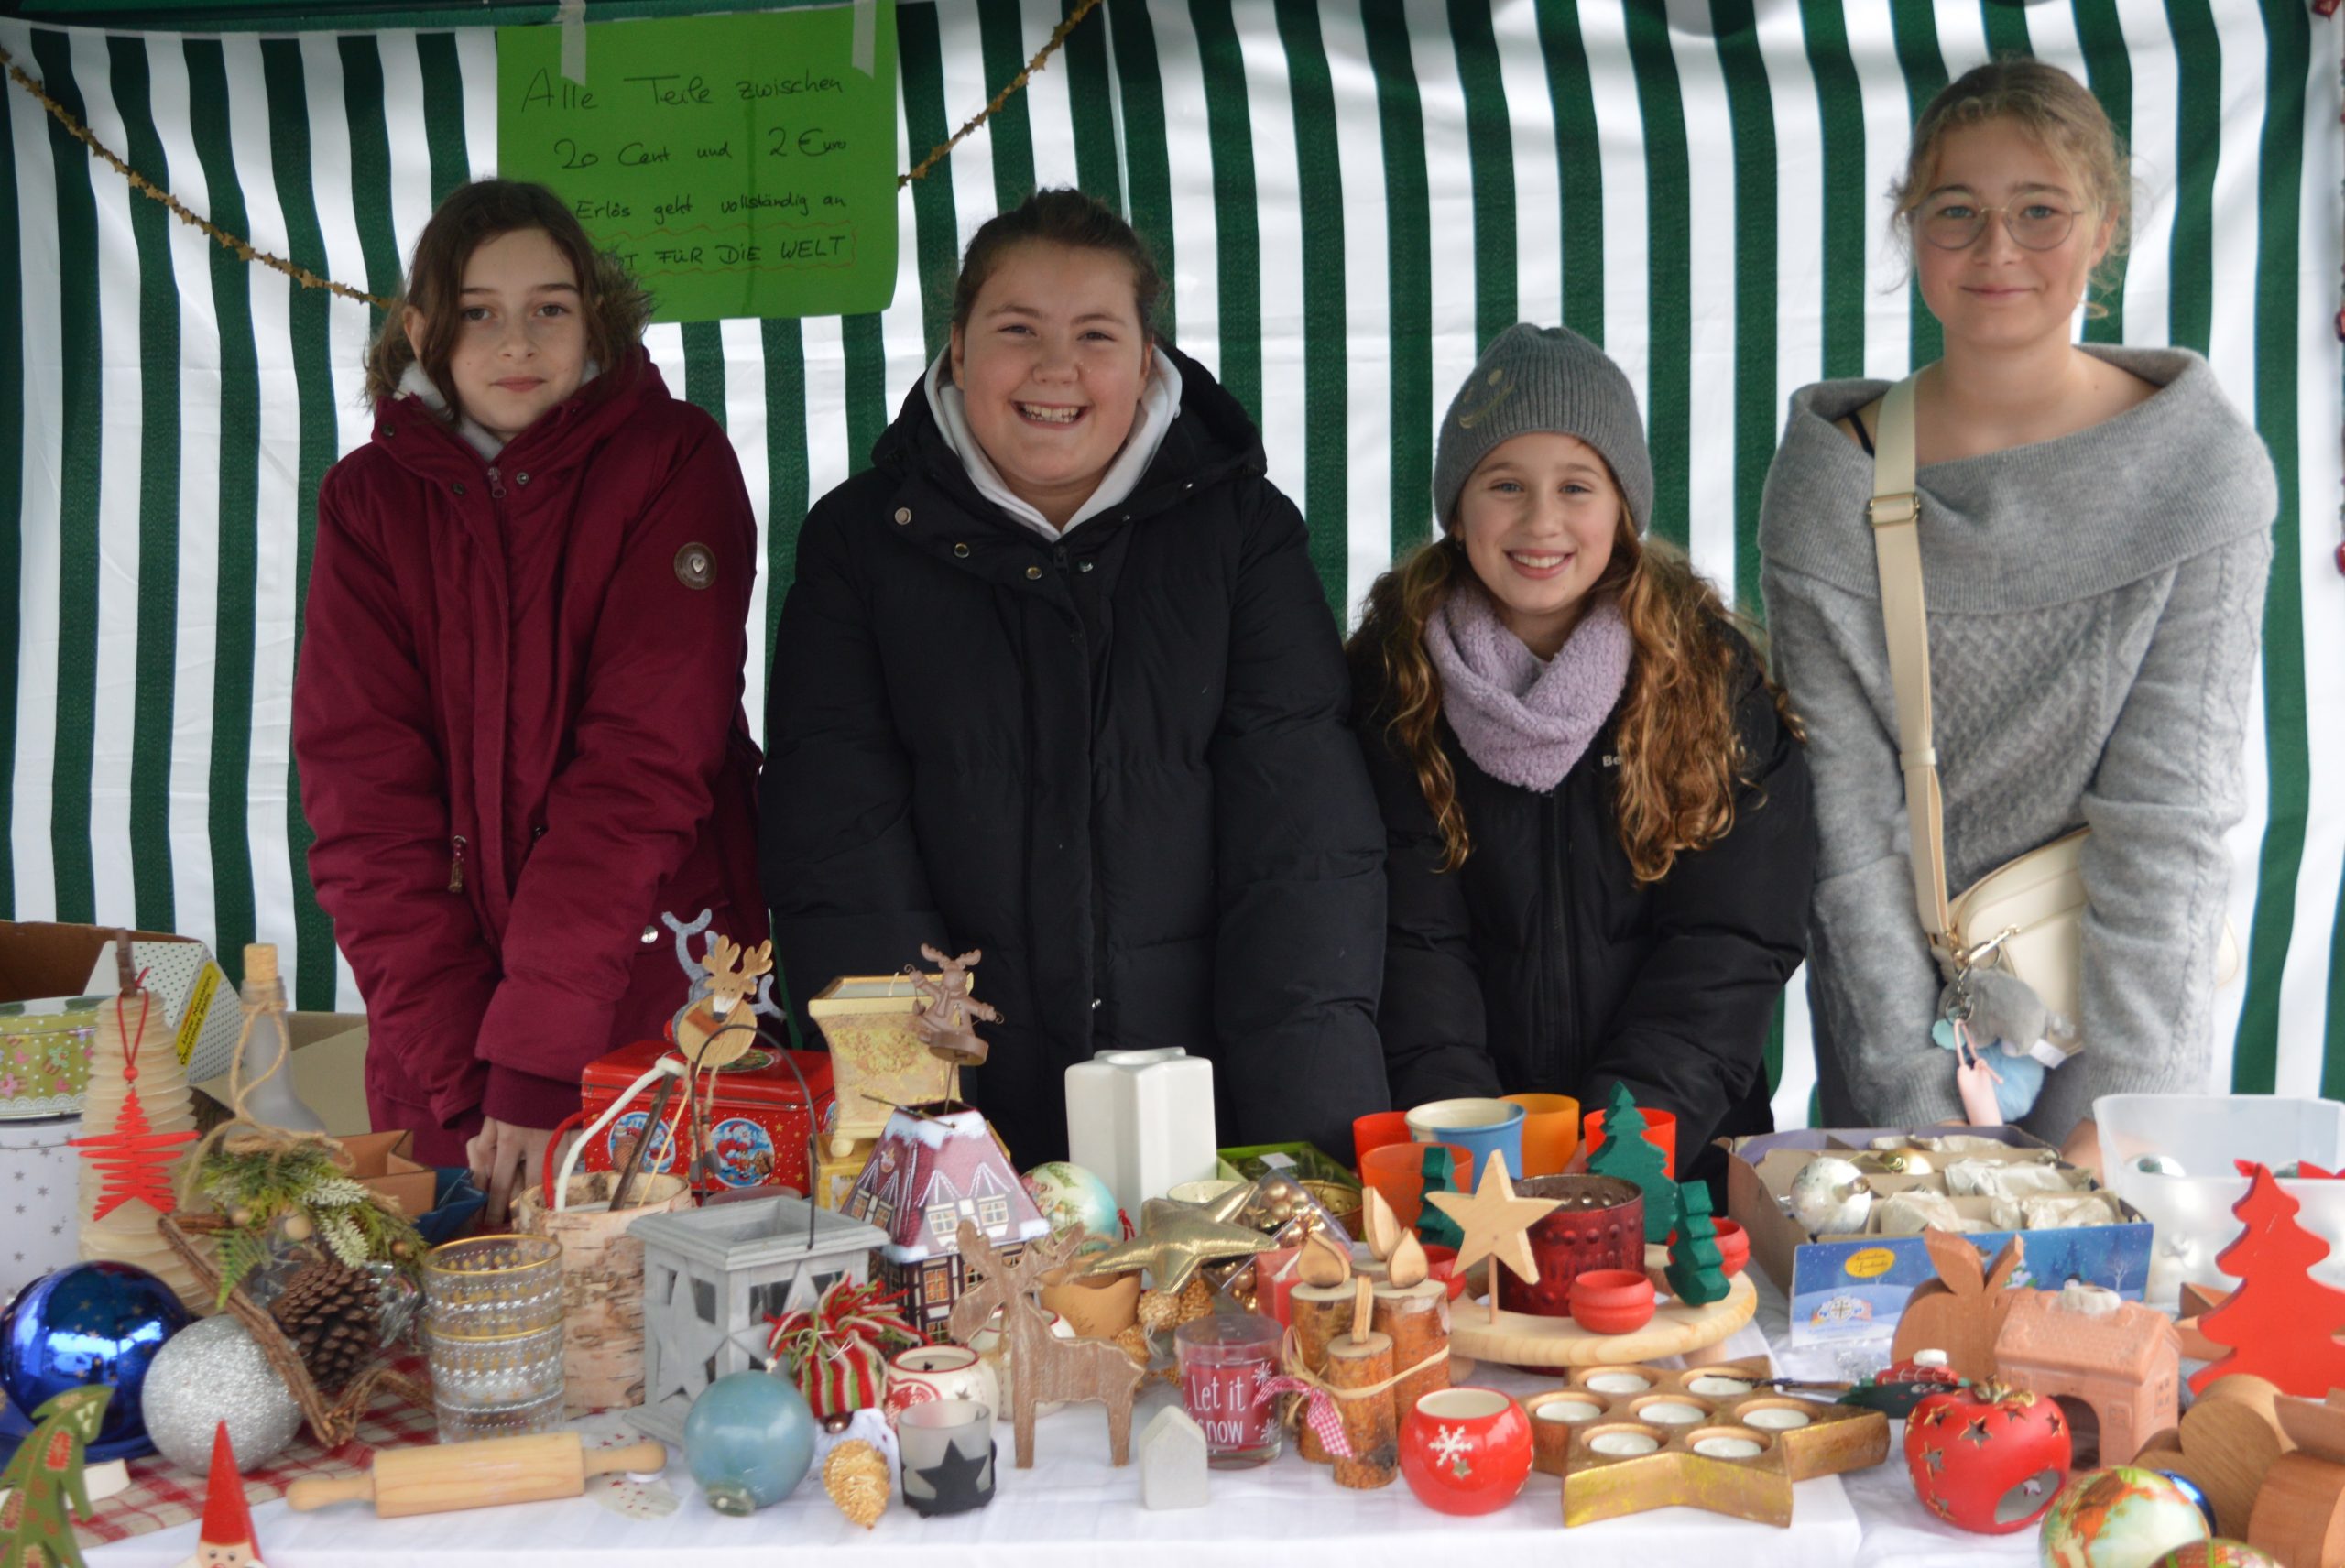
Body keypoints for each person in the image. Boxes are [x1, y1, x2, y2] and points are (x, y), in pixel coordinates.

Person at [761, 188, 1387, 1165]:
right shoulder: (859, 544)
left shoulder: (1242, 535)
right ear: (957, 349)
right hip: (968, 1116)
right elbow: (843, 853)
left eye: (1095, 334)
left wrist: (1298, 1155)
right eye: (1017, 330)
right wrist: (921, 1140)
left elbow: (1300, 852)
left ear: (1146, 362)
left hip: (1203, 1110)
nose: (1056, 369)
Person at [1759, 60, 2275, 1158]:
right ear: (1911, 230)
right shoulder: (1828, 483)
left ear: (2105, 230)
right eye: (1958, 212)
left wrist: (2122, 1117)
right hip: (1907, 1035)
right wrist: (1925, 1117)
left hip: (2123, 1022)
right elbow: (1847, 834)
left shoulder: (2199, 471)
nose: (1998, 250)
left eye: (2040, 211)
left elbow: (2168, 821)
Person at [293, 180, 765, 1222]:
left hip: (665, 988)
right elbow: (367, 810)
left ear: (593, 316)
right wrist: (474, 1083)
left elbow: (641, 767)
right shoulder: (371, 504)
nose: (518, 340)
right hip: (446, 1045)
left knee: (673, 1326)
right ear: (422, 327)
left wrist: (542, 1061)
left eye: (550, 306)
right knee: (470, 1353)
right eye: (478, 310)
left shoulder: (672, 460)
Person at [1349, 324, 1816, 1189]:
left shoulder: (1709, 678)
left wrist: (1622, 1150)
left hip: (1672, 1161)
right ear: (1457, 508)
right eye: (1504, 485)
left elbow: (1731, 941)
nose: (1541, 522)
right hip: (1470, 1166)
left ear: (1622, 509)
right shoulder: (1391, 686)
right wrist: (1474, 1154)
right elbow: (1412, 947)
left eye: (1576, 486)